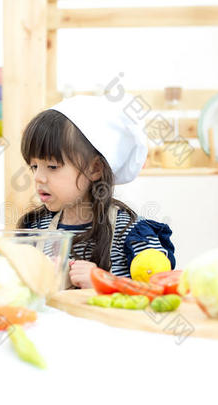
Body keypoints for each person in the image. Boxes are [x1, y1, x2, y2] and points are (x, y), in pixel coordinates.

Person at [17, 95, 175, 289]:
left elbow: (159, 290)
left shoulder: (130, 232)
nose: (38, 178)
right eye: (34, 166)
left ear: (95, 169)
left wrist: (103, 281)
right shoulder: (35, 229)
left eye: (52, 166)